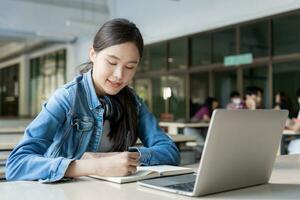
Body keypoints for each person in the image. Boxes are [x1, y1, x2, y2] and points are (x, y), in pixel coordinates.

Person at [5, 19, 180, 182]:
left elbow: (169, 151)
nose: (119, 75)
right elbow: (16, 165)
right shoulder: (66, 98)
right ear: (93, 55)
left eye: (129, 67)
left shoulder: (133, 101)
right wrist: (94, 166)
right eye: (112, 62)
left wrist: (127, 159)